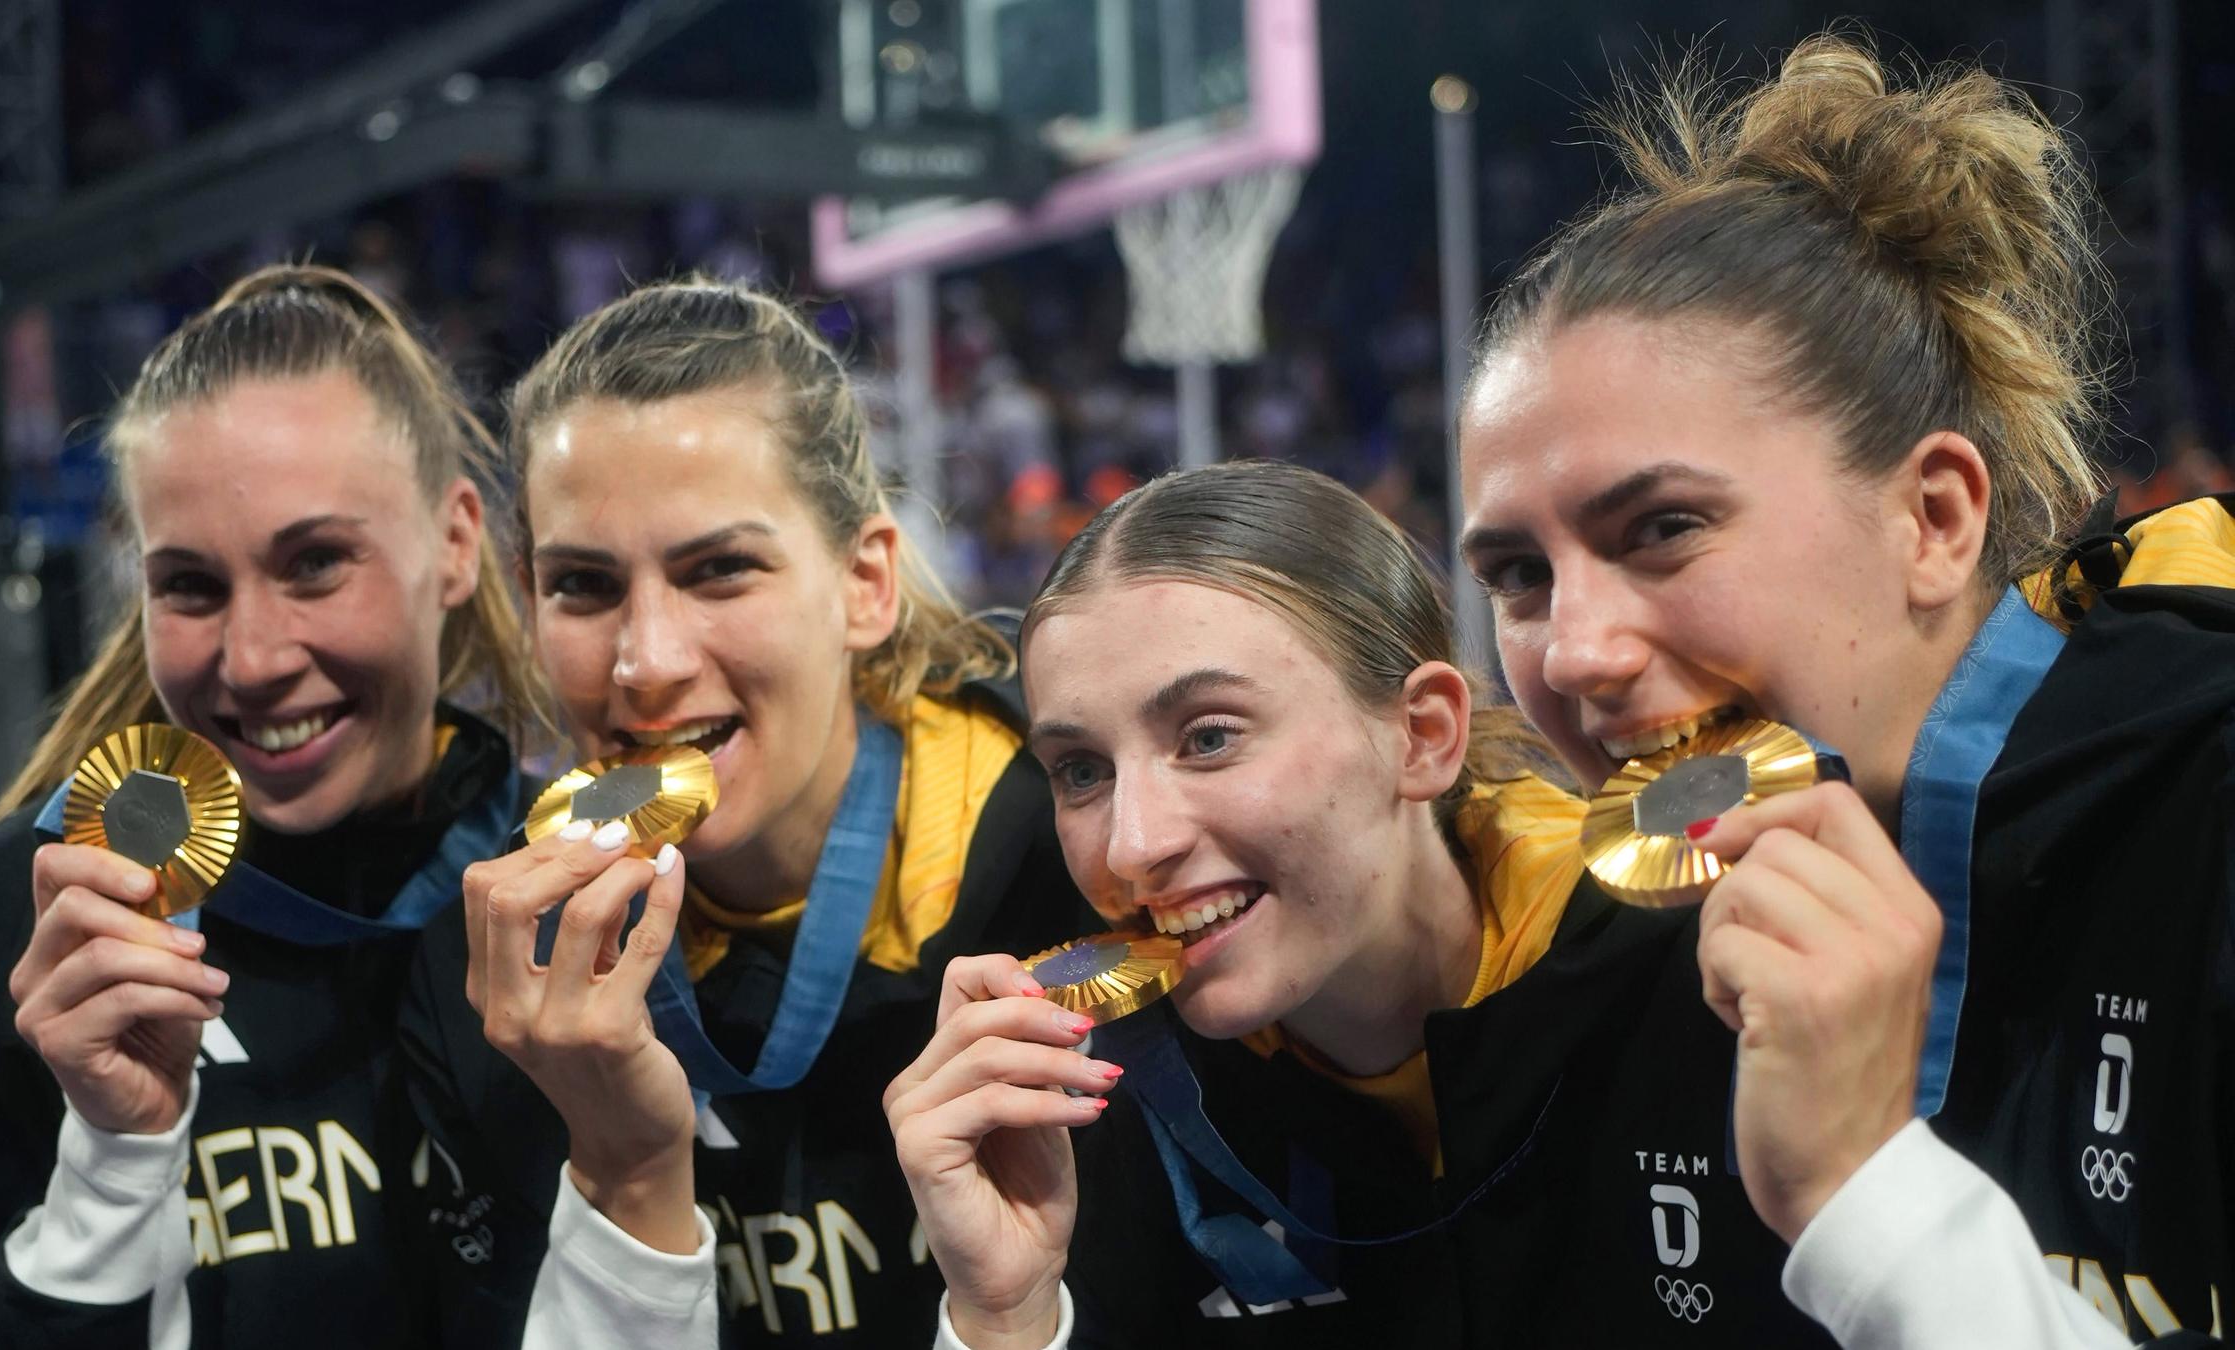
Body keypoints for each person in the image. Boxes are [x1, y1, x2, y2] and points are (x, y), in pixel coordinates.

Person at [1441, 32, 2234, 1346]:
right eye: (1519, 574)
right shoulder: (1617, 945)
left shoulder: (2206, 816)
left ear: (1933, 518)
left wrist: (1873, 1200)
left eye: (1663, 528)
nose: (1572, 651)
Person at [0, 264, 547, 1347]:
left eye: (315, 564)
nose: (253, 659)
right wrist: (105, 1180)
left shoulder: (576, 897)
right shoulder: (1, 928)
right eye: (190, 586)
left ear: (454, 543)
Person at [398, 277, 1090, 1348]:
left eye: (720, 570)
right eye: (583, 584)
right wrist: (626, 1180)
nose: (646, 661)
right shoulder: (490, 962)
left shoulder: (1081, 865)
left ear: (865, 585)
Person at [885, 457, 1590, 1348]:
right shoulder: (1081, 1114)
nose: (1133, 846)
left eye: (1209, 737)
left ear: (1421, 736)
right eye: (1082, 771)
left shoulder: (1684, 986)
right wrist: (1004, 1318)